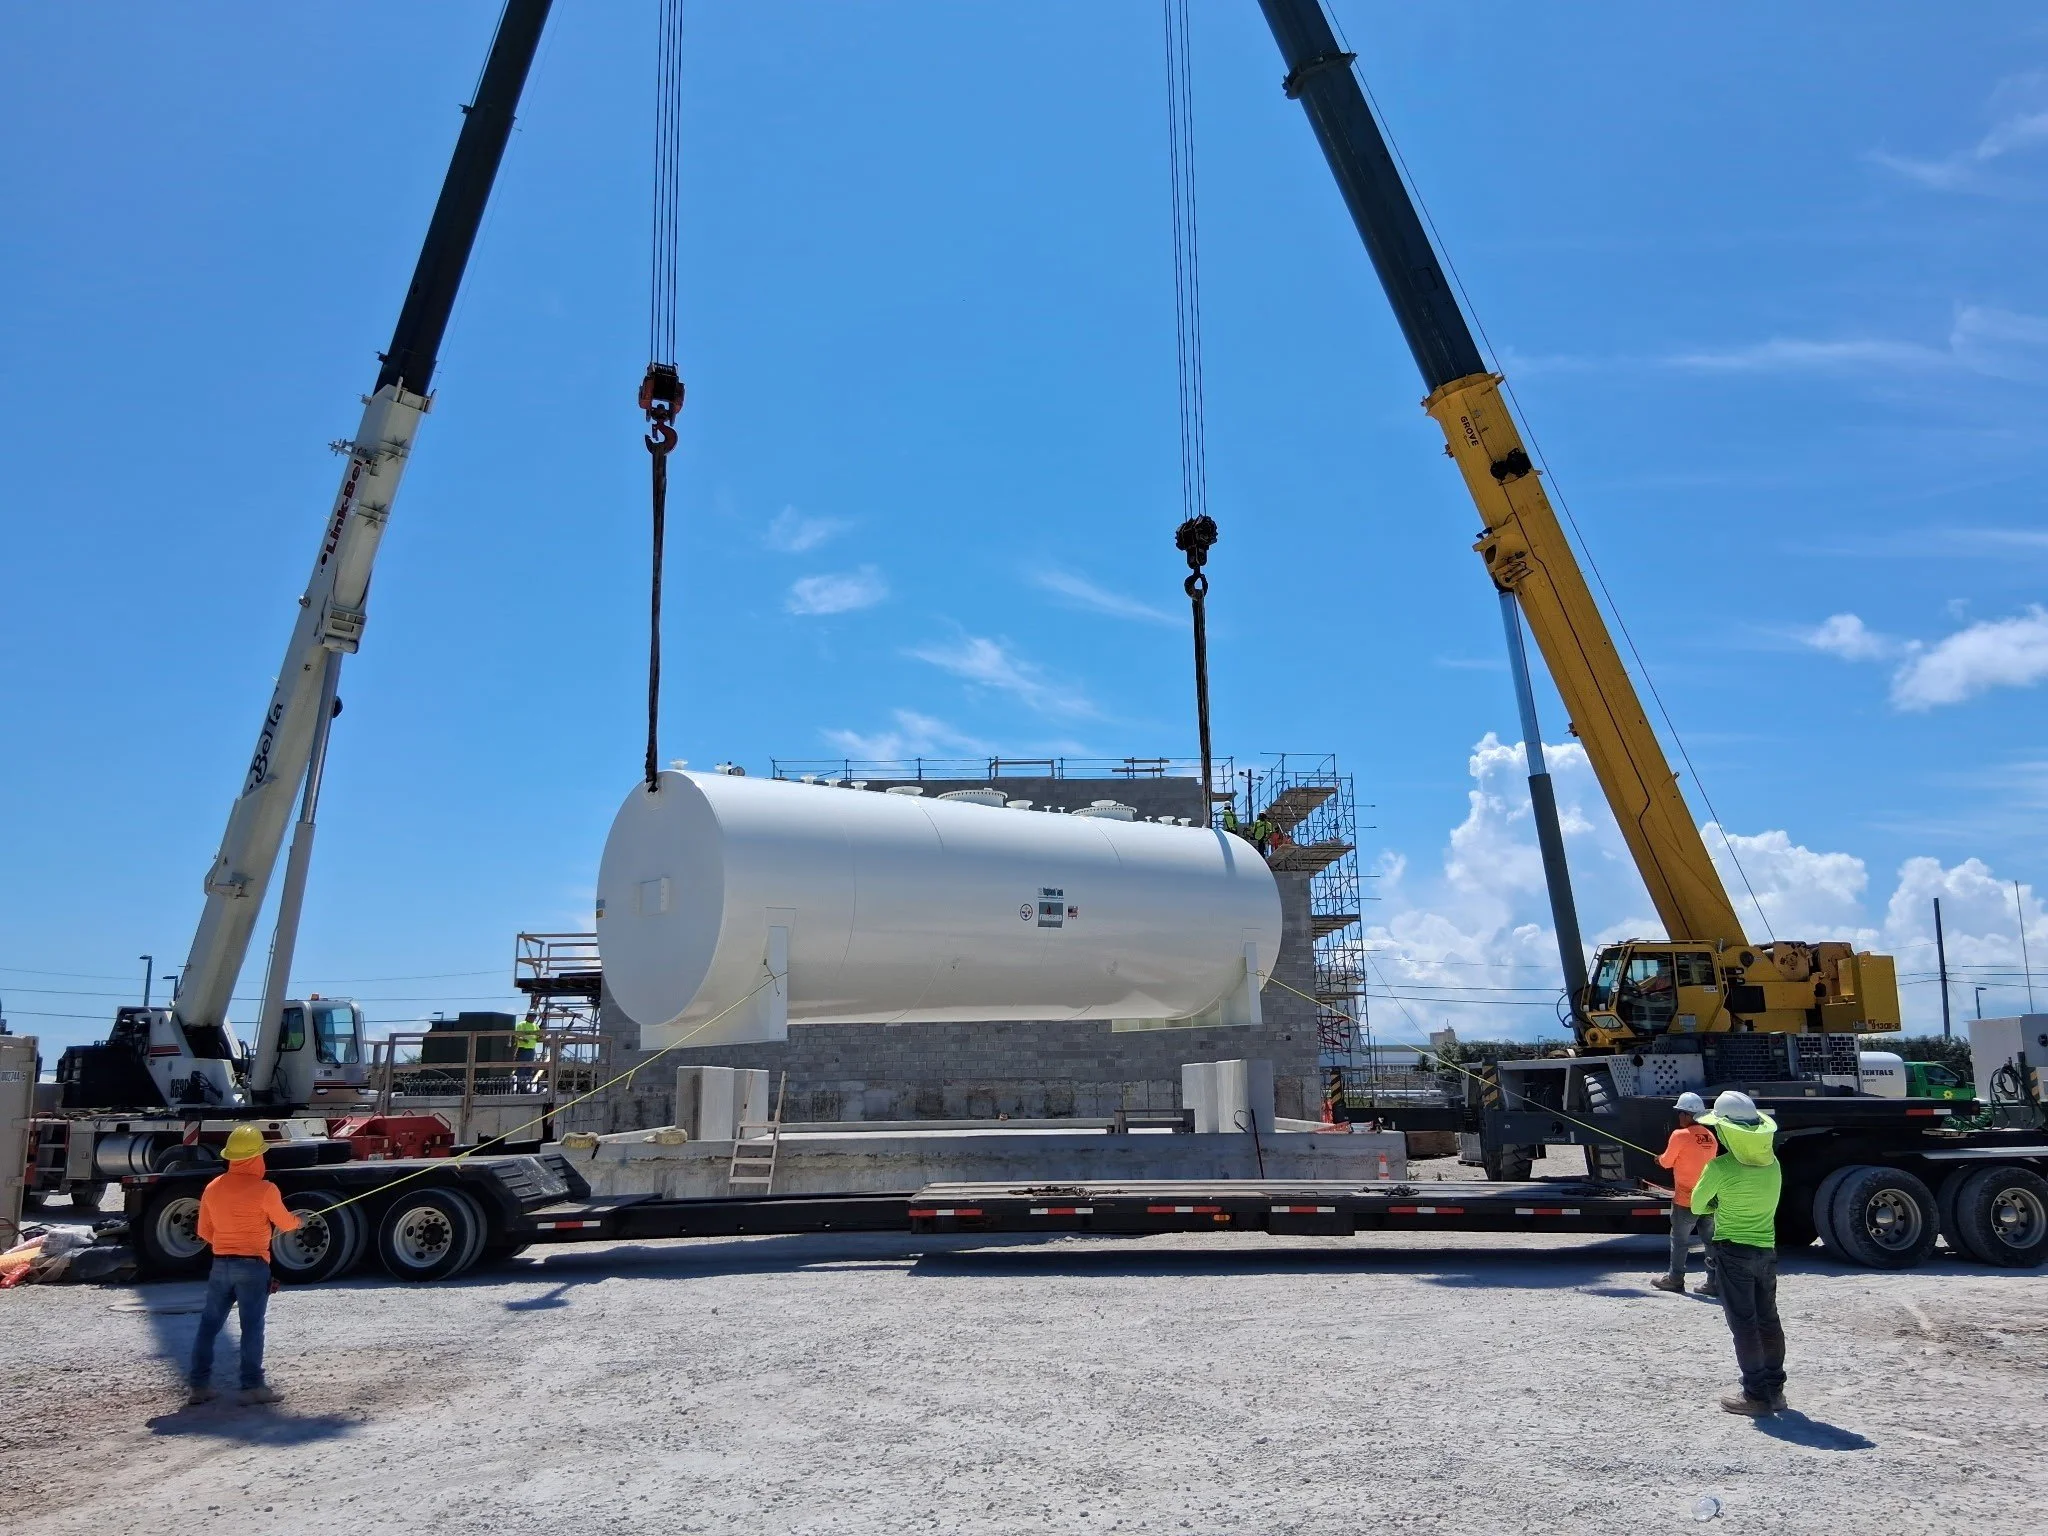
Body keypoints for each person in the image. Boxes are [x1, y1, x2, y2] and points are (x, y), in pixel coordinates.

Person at [188, 1124, 301, 1407]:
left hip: (220, 1264)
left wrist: (226, 1243)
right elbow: (285, 1223)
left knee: (209, 1325)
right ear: (255, 1158)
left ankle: (199, 1387)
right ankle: (251, 1387)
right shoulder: (266, 1189)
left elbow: (203, 1231)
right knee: (251, 1327)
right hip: (252, 1266)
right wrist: (299, 1222)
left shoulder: (212, 1188)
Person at [1689, 1089, 1786, 1417]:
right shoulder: (1773, 1165)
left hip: (1732, 1254)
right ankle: (1775, 1391)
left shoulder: (1720, 1168)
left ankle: (1755, 1396)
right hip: (1766, 1252)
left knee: (1744, 1324)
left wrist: (1718, 1203)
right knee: (1769, 1320)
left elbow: (1697, 1204)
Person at [1651, 1091, 1720, 1298]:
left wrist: (1659, 1159)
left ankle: (1675, 1279)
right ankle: (1713, 1282)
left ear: (1688, 1115)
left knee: (1680, 1240)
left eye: (1681, 1113)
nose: (1679, 1117)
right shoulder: (1710, 1136)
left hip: (1685, 1199)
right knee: (1710, 1242)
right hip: (1707, 1197)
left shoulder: (1679, 1135)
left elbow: (1666, 1162)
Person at [512, 1014, 542, 1092]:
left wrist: (541, 1036)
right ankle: (520, 1088)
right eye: (531, 1016)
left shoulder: (535, 1026)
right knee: (521, 1070)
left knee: (529, 1070)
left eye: (534, 1017)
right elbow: (516, 1035)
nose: (533, 1018)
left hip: (531, 1050)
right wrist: (523, 1039)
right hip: (523, 1049)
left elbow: (539, 1036)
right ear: (528, 1016)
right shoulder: (522, 1024)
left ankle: (525, 1088)